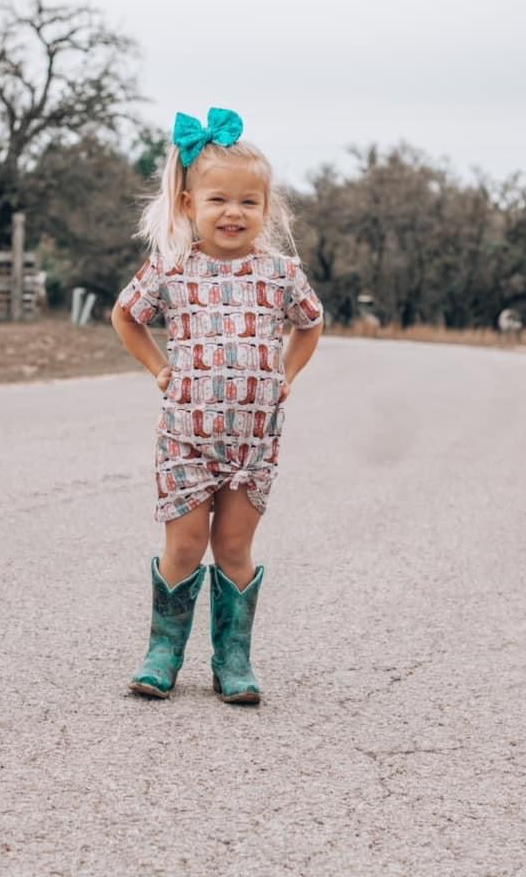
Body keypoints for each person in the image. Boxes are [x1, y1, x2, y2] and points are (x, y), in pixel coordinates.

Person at [111, 107, 323, 704]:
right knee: (184, 544)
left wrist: (287, 373)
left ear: (266, 208)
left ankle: (233, 658)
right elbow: (127, 316)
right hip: (186, 435)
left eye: (248, 203)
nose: (233, 213)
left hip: (253, 440)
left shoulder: (281, 273)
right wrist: (159, 369)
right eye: (218, 200)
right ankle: (163, 652)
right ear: (188, 204)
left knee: (233, 547)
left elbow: (310, 325)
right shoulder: (173, 267)